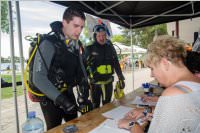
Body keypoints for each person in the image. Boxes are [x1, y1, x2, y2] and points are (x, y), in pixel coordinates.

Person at [118, 35, 200, 133]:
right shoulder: (195, 82)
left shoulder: (174, 93)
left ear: (165, 63)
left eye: (152, 68)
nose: (152, 74)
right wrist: (148, 111)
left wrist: (132, 125)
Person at [32, 7, 92, 130]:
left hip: (67, 92)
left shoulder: (75, 44)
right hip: (50, 97)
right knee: (55, 129)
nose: (79, 31)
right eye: (76, 26)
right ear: (64, 22)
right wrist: (61, 100)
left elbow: (81, 71)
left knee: (74, 125)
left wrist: (84, 96)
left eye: (81, 27)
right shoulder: (48, 43)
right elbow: (38, 78)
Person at [85, 24, 125, 108]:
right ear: (95, 36)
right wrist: (84, 84)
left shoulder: (110, 48)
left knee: (107, 105)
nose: (102, 38)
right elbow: (83, 67)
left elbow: (116, 63)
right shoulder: (89, 48)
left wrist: (121, 78)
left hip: (108, 83)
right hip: (95, 85)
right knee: (95, 106)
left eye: (103, 35)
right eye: (99, 35)